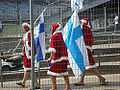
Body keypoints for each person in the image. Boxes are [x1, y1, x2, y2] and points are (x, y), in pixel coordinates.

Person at [74, 17, 106, 86]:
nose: (80, 23)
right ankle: (81, 80)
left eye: (81, 22)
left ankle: (101, 77)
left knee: (90, 65)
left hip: (85, 49)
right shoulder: (87, 29)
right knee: (85, 65)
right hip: (85, 49)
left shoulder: (84, 28)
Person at [47, 23, 71, 90]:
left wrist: (50, 58)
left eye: (52, 28)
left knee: (51, 72)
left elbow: (53, 49)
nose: (51, 29)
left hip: (57, 58)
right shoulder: (63, 35)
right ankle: (68, 86)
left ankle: (54, 87)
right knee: (64, 71)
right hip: (64, 57)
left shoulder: (54, 36)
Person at [16, 23, 39, 89]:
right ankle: (25, 82)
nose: (23, 29)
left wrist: (26, 47)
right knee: (28, 69)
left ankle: (30, 84)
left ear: (26, 28)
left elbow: (30, 43)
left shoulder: (29, 34)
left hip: (29, 54)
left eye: (24, 27)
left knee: (29, 68)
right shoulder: (26, 34)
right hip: (27, 53)